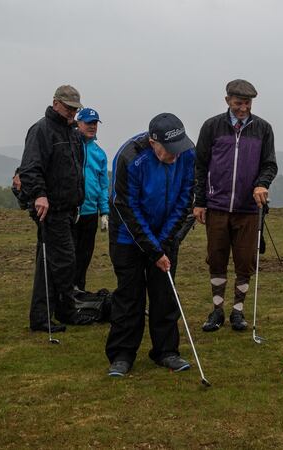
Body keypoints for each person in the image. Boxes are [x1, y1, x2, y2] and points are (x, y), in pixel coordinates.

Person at [105, 113, 196, 377]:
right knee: (129, 296)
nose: (175, 156)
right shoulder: (130, 157)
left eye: (179, 149)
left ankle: (166, 351)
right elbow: (127, 207)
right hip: (128, 235)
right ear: (153, 142)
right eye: (169, 150)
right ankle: (122, 355)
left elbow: (184, 198)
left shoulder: (188, 154)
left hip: (165, 233)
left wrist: (164, 244)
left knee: (164, 294)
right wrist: (152, 249)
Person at [193, 79, 278, 332]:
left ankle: (238, 312)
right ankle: (217, 310)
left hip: (248, 209)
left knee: (244, 262)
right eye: (238, 103)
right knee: (217, 259)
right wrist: (199, 201)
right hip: (216, 205)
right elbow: (200, 165)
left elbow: (270, 164)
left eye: (248, 103)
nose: (243, 108)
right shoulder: (211, 127)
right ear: (228, 100)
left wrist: (262, 183)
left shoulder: (263, 128)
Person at [18, 85, 85, 333]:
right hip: (51, 208)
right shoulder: (41, 130)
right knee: (64, 261)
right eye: (68, 108)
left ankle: (44, 316)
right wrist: (39, 194)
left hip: (69, 208)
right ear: (56, 103)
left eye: (75, 109)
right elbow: (30, 167)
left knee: (49, 262)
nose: (72, 113)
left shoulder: (73, 132)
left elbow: (76, 168)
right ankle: (63, 312)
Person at [73, 107, 109, 292]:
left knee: (84, 255)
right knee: (67, 256)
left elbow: (103, 185)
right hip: (71, 212)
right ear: (78, 123)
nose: (92, 126)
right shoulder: (71, 145)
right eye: (88, 122)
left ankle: (79, 290)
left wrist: (104, 211)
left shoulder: (99, 153)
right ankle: (63, 293)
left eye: (95, 123)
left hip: (89, 212)